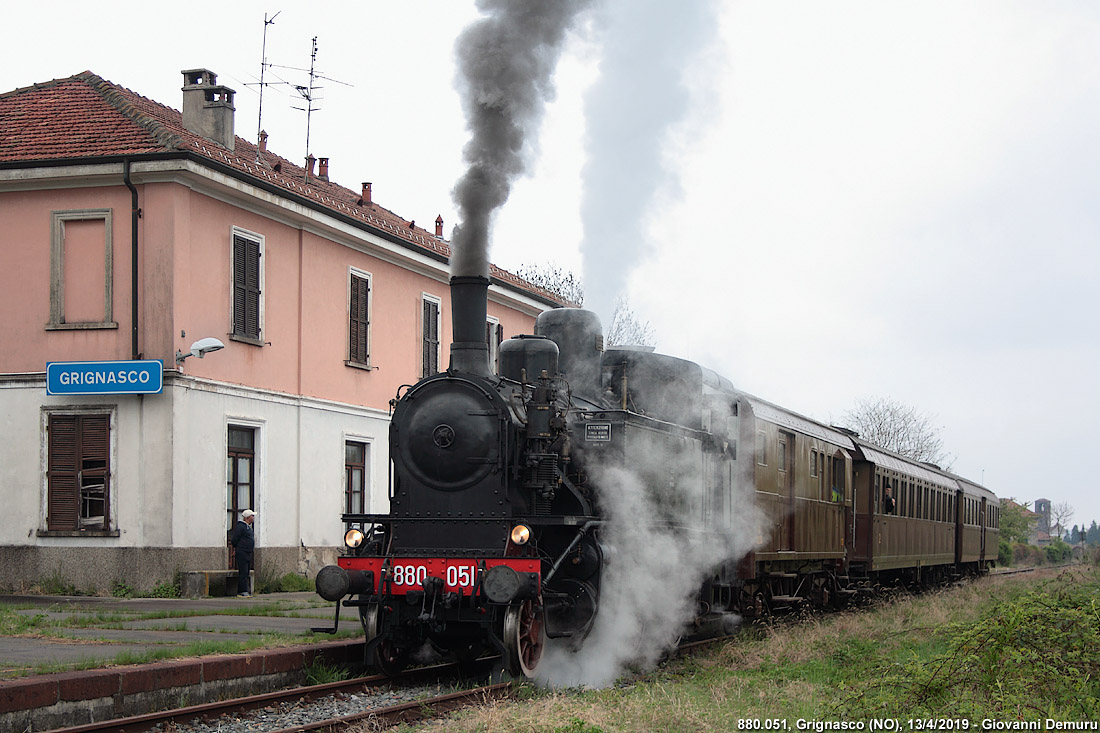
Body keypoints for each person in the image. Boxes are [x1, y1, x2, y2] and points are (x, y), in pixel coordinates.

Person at [230, 509, 256, 597]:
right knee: (243, 571)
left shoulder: (248, 527)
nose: (253, 518)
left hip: (248, 552)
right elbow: (235, 539)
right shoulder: (241, 527)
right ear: (248, 517)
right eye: (252, 516)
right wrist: (237, 548)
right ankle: (242, 591)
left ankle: (245, 590)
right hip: (242, 552)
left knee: (246, 571)